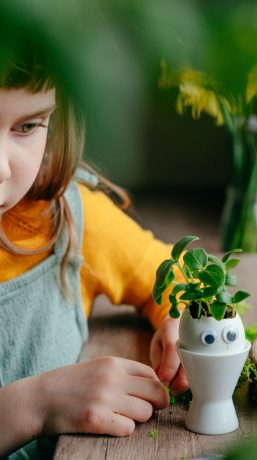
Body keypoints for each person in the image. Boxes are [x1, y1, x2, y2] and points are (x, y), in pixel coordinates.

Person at [0, 50, 188, 459]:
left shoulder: (68, 219)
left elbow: (175, 274)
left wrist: (183, 321)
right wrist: (34, 404)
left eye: (28, 125)